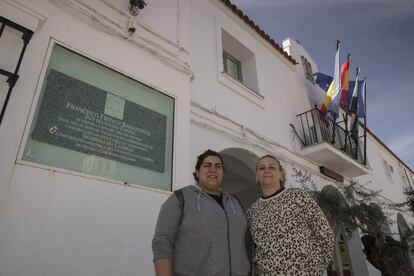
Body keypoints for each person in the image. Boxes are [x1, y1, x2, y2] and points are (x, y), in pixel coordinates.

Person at [152, 149, 250, 276]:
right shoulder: (181, 198)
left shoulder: (235, 203)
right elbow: (162, 241)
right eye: (207, 165)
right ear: (197, 172)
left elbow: (246, 242)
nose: (213, 169)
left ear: (223, 173)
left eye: (218, 166)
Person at [247, 155, 334, 275]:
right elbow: (253, 249)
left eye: (272, 167)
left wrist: (315, 267)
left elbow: (324, 233)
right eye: (261, 168)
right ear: (257, 177)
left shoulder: (298, 196)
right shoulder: (252, 211)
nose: (266, 170)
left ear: (281, 175)